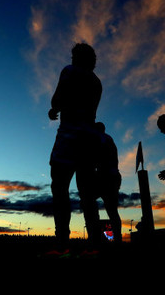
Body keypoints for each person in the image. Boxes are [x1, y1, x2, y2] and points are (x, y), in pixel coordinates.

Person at [48, 42, 102, 249]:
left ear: (76, 58)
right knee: (87, 194)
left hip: (69, 139)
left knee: (60, 189)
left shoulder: (69, 71)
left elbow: (57, 100)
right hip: (89, 143)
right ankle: (95, 240)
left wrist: (54, 110)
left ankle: (62, 239)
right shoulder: (97, 82)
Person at [94, 122, 122, 243]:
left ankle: (95, 237)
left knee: (88, 200)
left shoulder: (101, 139)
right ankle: (118, 239)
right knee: (112, 210)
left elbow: (97, 157)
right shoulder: (109, 139)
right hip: (112, 176)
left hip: (106, 177)